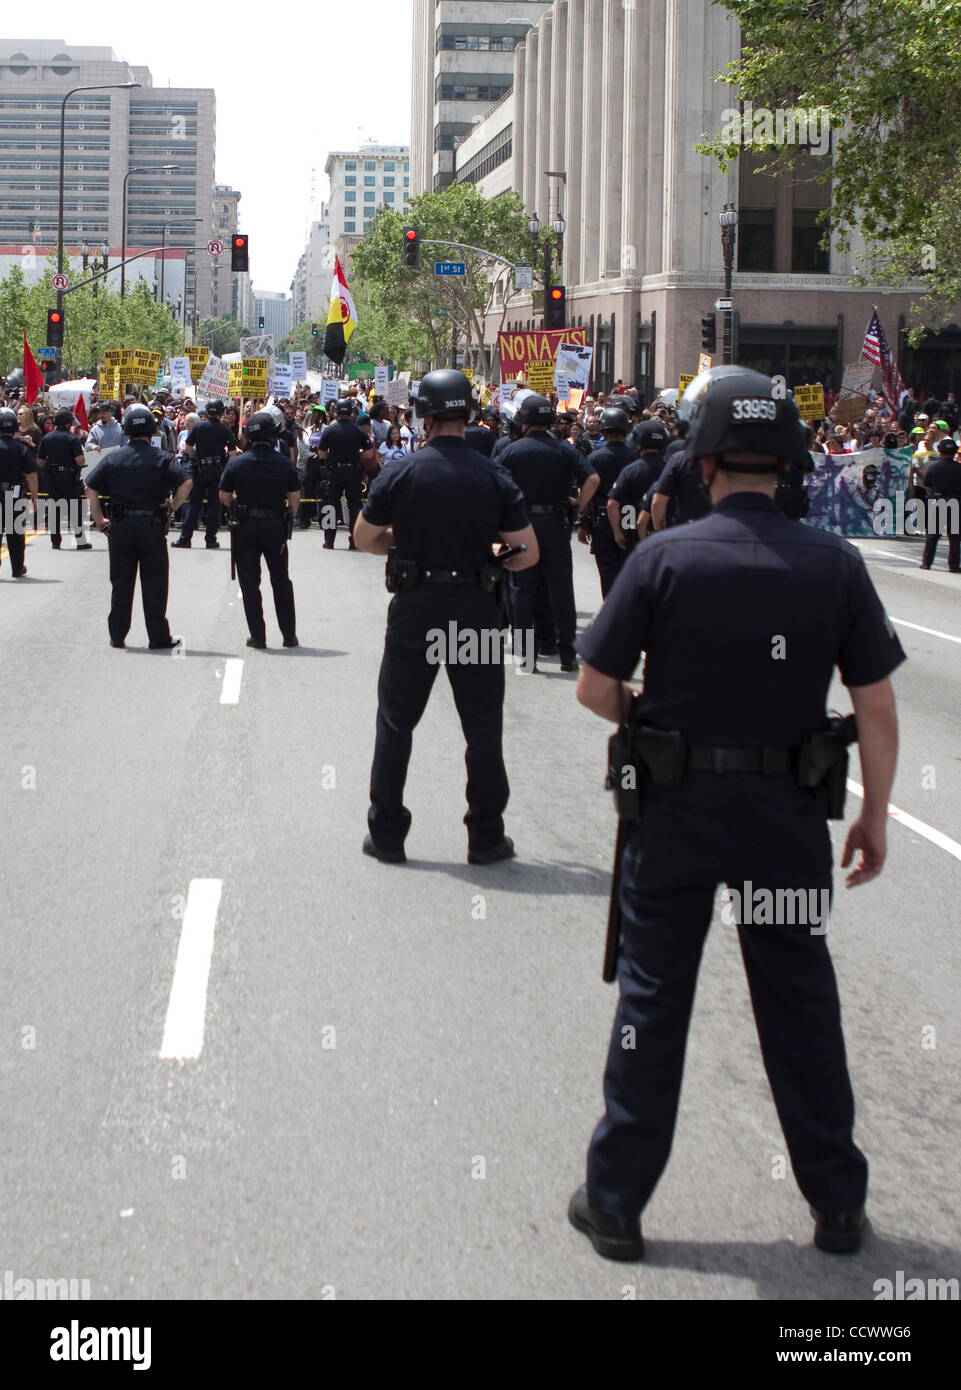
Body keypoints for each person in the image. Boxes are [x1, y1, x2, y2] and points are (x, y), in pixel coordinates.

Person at [567, 367, 905, 1262]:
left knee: (653, 998)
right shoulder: (834, 563)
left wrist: (653, 721)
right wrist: (874, 817)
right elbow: (872, 704)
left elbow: (595, 688)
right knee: (798, 1002)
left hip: (675, 810)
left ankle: (616, 1204)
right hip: (787, 816)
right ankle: (835, 1205)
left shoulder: (662, 557)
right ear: (789, 463)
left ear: (702, 460)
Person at [353, 369, 538, 865]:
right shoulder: (494, 474)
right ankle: (485, 836)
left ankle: (387, 835)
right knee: (482, 729)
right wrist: (487, 553)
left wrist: (404, 545)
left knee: (396, 723)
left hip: (416, 611)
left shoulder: (403, 472)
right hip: (476, 610)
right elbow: (526, 552)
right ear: (469, 414)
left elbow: (364, 537)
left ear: (424, 415)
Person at [498, 393, 599, 672]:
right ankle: (567, 656)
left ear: (525, 420)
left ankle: (528, 657)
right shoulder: (564, 449)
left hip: (522, 525)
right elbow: (592, 478)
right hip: (556, 524)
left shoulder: (511, 450)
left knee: (522, 588)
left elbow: (494, 485)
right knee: (561, 589)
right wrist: (581, 508)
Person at [84, 405, 192, 649]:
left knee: (121, 582)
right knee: (154, 583)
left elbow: (90, 486)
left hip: (120, 526)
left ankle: (117, 635)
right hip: (152, 525)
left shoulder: (114, 457)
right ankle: (158, 637)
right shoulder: (162, 458)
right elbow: (186, 481)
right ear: (152, 431)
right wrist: (173, 507)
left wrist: (99, 518)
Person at [218, 410, 300, 649]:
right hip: (275, 524)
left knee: (250, 582)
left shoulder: (236, 463)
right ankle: (288, 635)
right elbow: (294, 498)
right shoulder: (284, 464)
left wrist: (237, 506)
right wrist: (289, 516)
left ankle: (258, 636)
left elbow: (224, 496)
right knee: (281, 580)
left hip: (246, 526)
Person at [579, 406, 637, 597]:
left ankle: (611, 610)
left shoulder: (595, 458)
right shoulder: (634, 456)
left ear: (604, 430)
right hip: (629, 515)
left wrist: (582, 521)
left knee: (607, 569)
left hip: (602, 518)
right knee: (627, 565)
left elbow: (587, 490)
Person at [173, 399, 239, 550]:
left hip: (200, 470)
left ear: (208, 411)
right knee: (214, 506)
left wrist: (196, 456)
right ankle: (211, 539)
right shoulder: (225, 429)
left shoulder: (199, 427)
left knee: (195, 505)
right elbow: (233, 452)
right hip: (217, 470)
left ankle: (185, 538)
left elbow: (188, 446)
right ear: (221, 411)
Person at [607, 419, 670, 550]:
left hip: (632, 528)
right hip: (663, 532)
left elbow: (612, 504)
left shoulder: (630, 471)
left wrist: (618, 533)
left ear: (638, 442)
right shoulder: (669, 470)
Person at [317, 399, 367, 550]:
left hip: (334, 472)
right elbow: (369, 452)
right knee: (355, 507)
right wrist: (356, 456)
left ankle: (329, 540)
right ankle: (355, 540)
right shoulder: (359, 430)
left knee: (330, 505)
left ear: (336, 413)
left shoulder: (330, 431)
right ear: (351, 413)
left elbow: (322, 453)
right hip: (353, 471)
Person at [38, 410, 92, 550]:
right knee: (75, 508)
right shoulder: (72, 439)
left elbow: (40, 462)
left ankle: (55, 542)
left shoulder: (47, 438)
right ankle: (80, 541)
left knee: (54, 508)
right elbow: (80, 460)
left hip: (52, 478)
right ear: (68, 423)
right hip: (69, 477)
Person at [0, 405, 39, 577]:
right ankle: (17, 567)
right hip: (14, 493)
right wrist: (35, 498)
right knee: (15, 531)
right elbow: (32, 476)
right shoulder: (21, 448)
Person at [920, 436, 961, 572]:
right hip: (955, 502)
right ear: (955, 452)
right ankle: (954, 566)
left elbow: (927, 485)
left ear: (939, 451)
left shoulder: (934, 467)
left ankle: (926, 563)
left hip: (937, 501)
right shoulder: (959, 468)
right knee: (954, 536)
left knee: (932, 535)